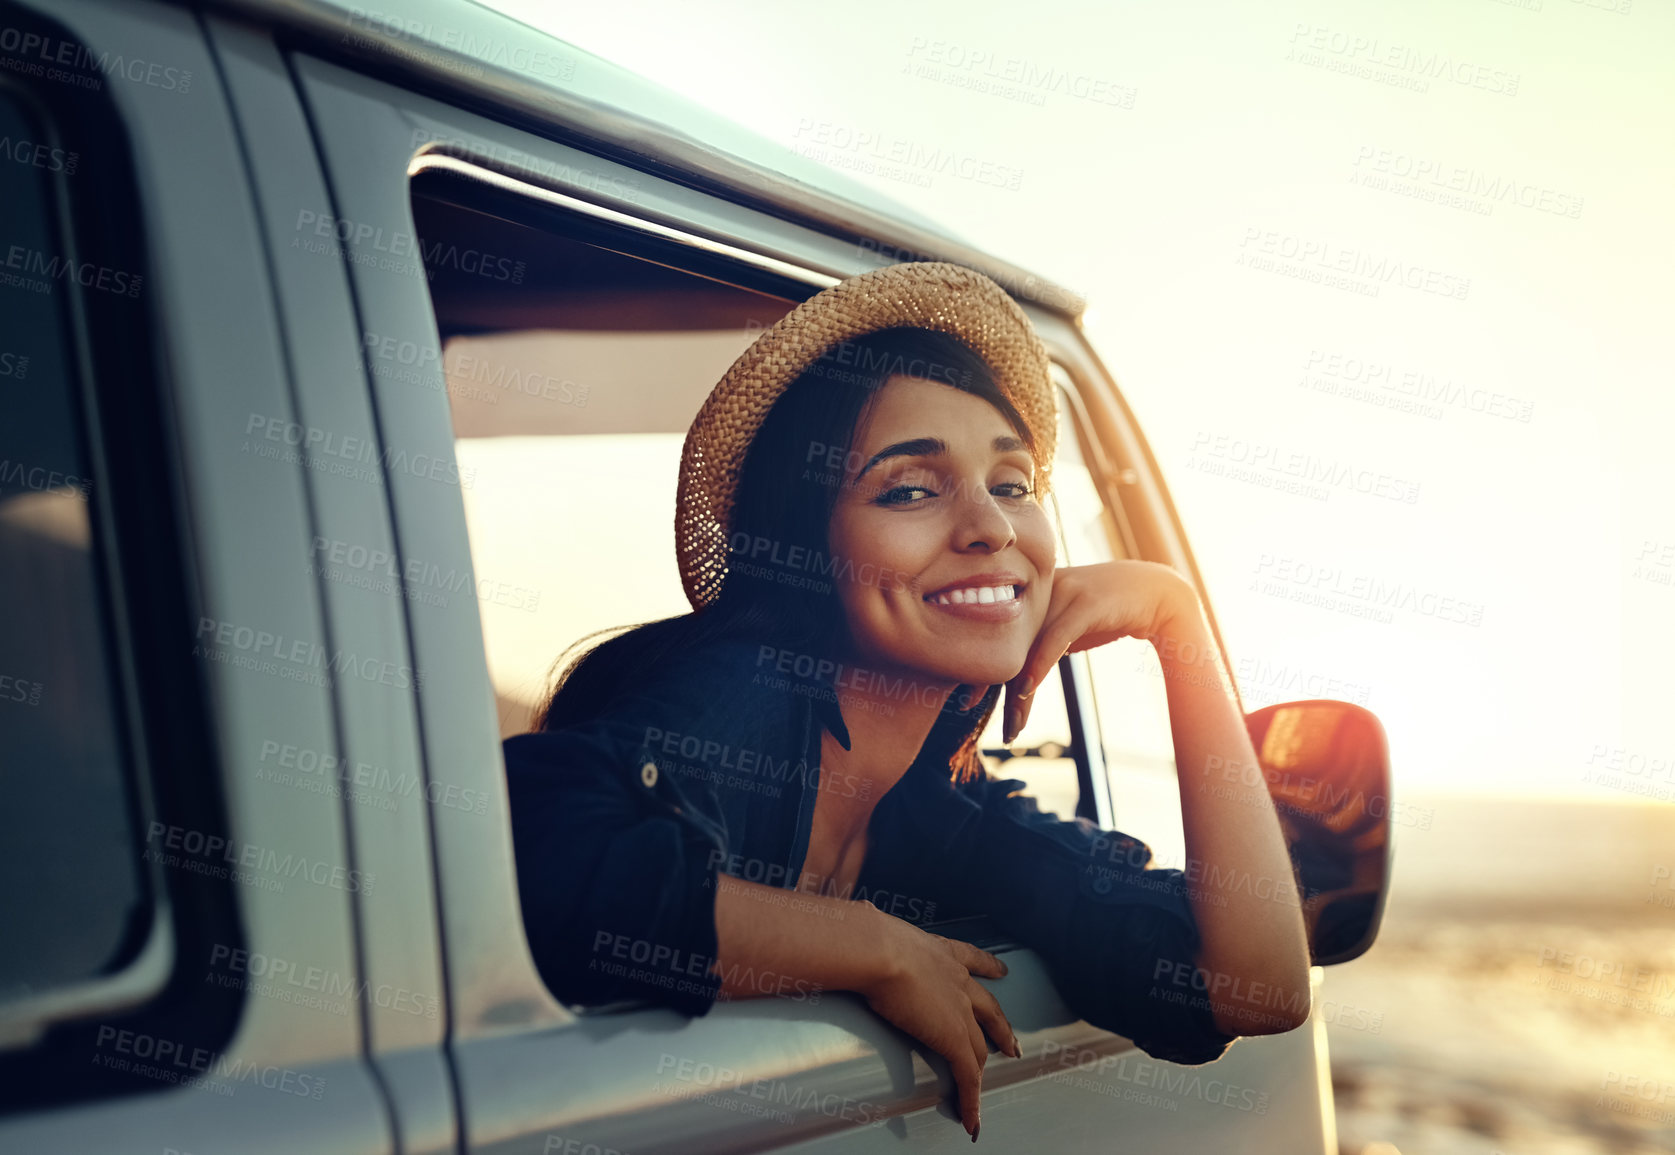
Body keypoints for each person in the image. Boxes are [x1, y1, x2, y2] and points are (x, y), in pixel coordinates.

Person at [503, 262, 1309, 1141]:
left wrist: (1177, 623)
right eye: (910, 490)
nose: (991, 528)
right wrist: (874, 946)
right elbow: (525, 857)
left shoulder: (935, 811)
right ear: (805, 544)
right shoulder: (749, 687)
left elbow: (1253, 990)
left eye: (1011, 485)